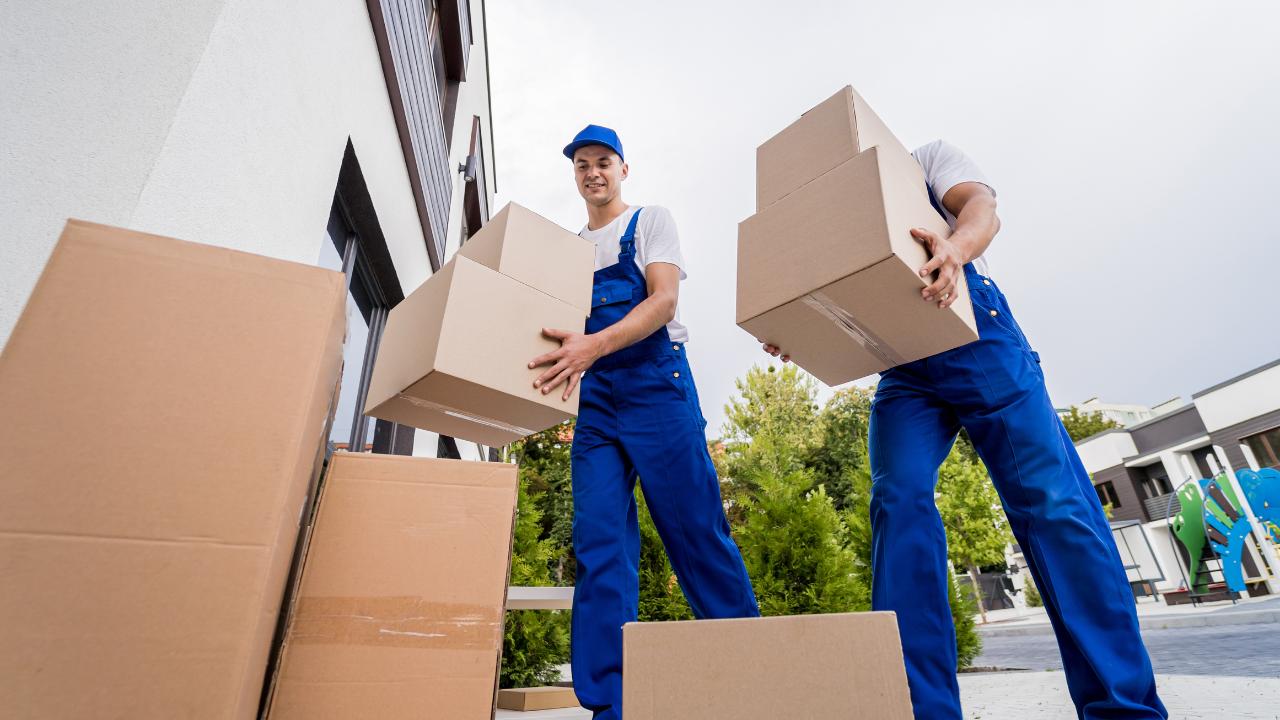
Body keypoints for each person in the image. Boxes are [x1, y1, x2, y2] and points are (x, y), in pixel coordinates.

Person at [763, 140, 1166, 719]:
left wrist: (954, 247)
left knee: (1052, 507)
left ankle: (1122, 707)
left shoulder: (921, 161)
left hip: (976, 333)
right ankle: (920, 708)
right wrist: (798, 329)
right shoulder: (820, 220)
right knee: (896, 500)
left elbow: (981, 206)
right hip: (905, 368)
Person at [531, 124, 760, 720]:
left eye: (603, 161)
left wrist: (591, 347)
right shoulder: (568, 249)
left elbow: (662, 302)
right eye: (581, 165)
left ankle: (752, 680)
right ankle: (610, 704)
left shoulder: (650, 222)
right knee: (600, 543)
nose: (592, 172)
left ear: (623, 168)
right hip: (597, 404)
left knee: (695, 533)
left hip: (657, 387)